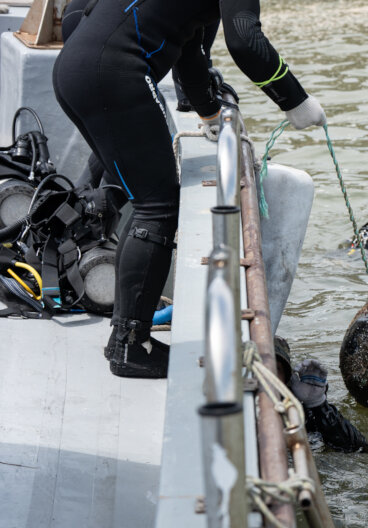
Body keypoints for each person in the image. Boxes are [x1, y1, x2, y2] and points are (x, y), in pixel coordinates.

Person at [53, 0, 327, 378]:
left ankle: (124, 332)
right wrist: (295, 100)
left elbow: (189, 46)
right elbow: (245, 40)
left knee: (142, 188)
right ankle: (130, 345)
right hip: (115, 73)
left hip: (74, 69)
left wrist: (208, 111)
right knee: (157, 206)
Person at [274, 336, 368, 453]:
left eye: (276, 368)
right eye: (262, 365)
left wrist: (319, 405)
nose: (267, 373)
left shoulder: (298, 411)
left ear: (286, 378)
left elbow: (359, 449)